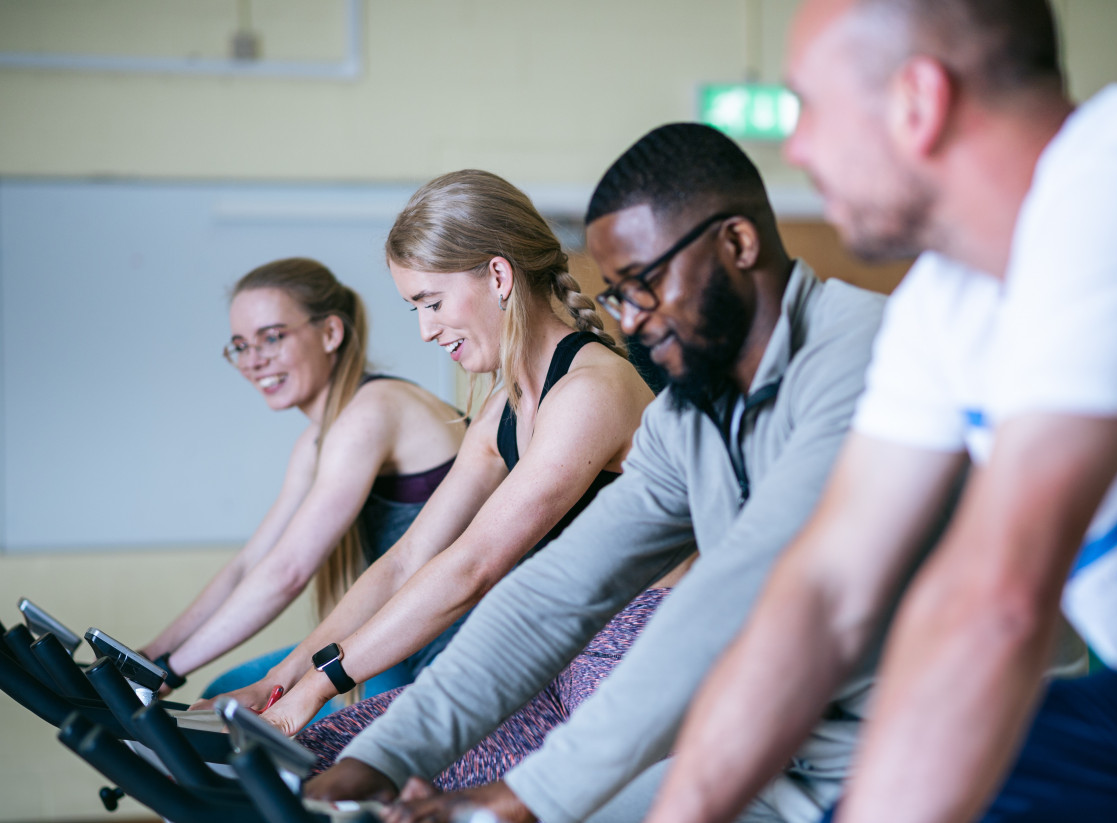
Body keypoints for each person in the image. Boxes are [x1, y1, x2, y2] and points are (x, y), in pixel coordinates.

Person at [648, 2, 1117, 822]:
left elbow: (995, 596)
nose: (796, 147)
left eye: (808, 106)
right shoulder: (946, 296)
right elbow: (826, 588)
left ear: (917, 103)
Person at [302, 122, 896, 823]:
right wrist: (382, 755)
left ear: (736, 243)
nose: (633, 321)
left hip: (902, 756)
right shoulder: (690, 414)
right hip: (771, 753)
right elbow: (555, 594)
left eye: (645, 283)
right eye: (617, 293)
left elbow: (743, 590)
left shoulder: (866, 355)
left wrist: (526, 795)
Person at [203, 169, 654, 737]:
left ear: (497, 275)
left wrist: (322, 684)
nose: (426, 330)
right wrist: (286, 680)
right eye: (415, 308)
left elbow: (473, 566)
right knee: (322, 749)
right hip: (563, 663)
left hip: (632, 664)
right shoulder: (502, 410)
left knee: (348, 762)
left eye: (432, 302)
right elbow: (407, 557)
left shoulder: (590, 392)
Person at [141, 257, 466, 701]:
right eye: (240, 345)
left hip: (459, 652)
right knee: (224, 692)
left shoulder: (371, 411)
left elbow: (288, 572)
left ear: (331, 333)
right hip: (409, 637)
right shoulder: (317, 441)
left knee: (236, 712)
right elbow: (250, 565)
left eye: (272, 338)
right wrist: (151, 657)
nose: (254, 361)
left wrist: (172, 671)